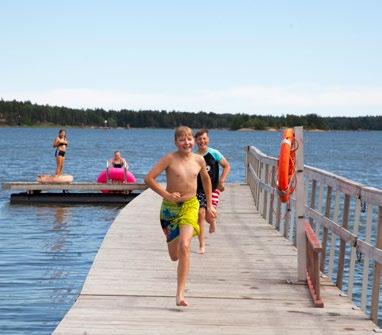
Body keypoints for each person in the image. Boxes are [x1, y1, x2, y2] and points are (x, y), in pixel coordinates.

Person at [144, 126, 216, 307]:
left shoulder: (199, 160)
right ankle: (182, 236)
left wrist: (209, 204)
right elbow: (149, 179)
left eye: (189, 139)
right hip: (170, 209)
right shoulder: (170, 159)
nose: (187, 142)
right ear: (176, 142)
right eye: (182, 139)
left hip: (191, 205)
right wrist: (166, 194)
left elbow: (206, 180)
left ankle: (180, 294)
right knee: (174, 256)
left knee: (185, 246)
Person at [195, 128, 231, 254]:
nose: (202, 141)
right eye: (199, 139)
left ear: (208, 140)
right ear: (195, 141)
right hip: (199, 190)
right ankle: (201, 245)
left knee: (209, 214)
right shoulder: (195, 157)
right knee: (201, 214)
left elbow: (226, 165)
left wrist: (222, 181)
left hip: (214, 188)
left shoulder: (214, 153)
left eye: (204, 138)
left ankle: (212, 222)